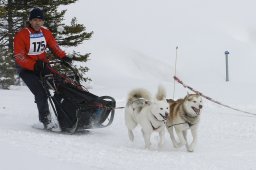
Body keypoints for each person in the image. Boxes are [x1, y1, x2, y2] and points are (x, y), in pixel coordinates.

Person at [13, 7, 72, 130]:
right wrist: (34, 65)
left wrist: (63, 56)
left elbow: (54, 46)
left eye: (40, 20)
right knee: (41, 93)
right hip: (26, 70)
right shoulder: (22, 35)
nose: (37, 23)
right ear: (30, 21)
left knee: (61, 85)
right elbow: (19, 57)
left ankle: (67, 116)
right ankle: (46, 121)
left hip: (43, 66)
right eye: (34, 20)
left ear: (43, 22)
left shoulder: (46, 32)